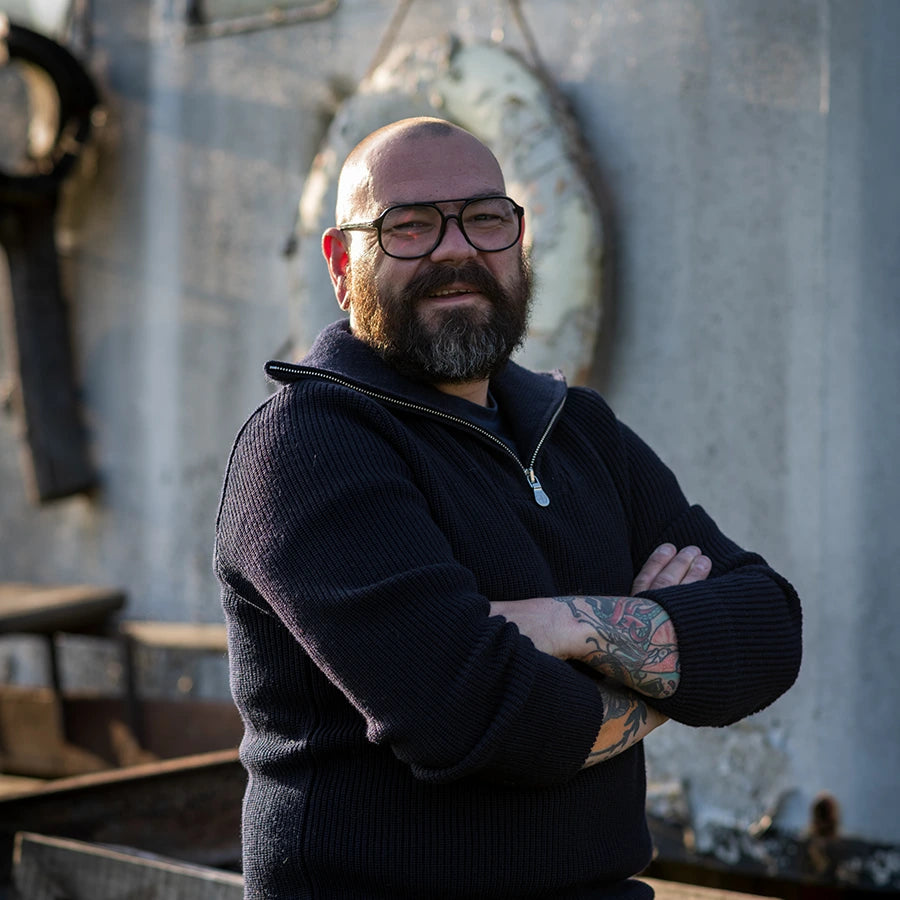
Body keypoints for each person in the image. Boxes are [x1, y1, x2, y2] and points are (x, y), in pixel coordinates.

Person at [214, 117, 802, 899]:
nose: (455, 249)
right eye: (409, 226)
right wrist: (667, 668)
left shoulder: (577, 428)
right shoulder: (308, 444)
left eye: (485, 217)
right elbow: (476, 718)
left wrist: (567, 625)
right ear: (341, 264)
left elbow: (768, 630)